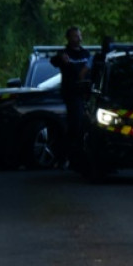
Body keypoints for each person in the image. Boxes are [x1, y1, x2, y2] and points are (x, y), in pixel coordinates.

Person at [50, 26, 92, 168]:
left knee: (85, 127)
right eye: (75, 36)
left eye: (79, 36)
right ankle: (65, 157)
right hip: (72, 95)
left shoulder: (86, 54)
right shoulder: (64, 53)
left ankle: (80, 157)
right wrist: (61, 58)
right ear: (69, 38)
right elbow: (54, 61)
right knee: (75, 126)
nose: (79, 38)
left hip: (87, 95)